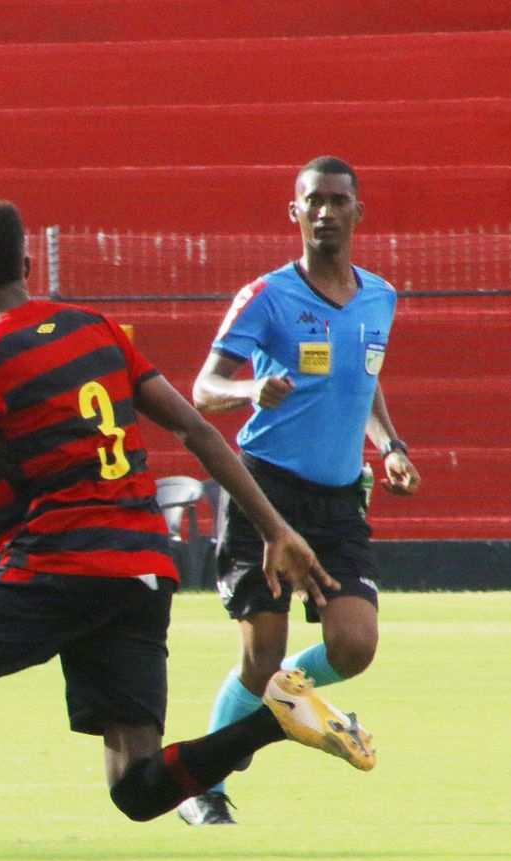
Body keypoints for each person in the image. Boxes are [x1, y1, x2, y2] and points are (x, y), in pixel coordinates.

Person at [0, 198, 376, 861]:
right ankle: (278, 719)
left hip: (56, 566)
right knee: (137, 788)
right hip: (144, 570)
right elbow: (199, 431)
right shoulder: (97, 328)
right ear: (26, 265)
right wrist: (275, 528)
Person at [177, 156, 420, 826]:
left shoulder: (380, 298)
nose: (325, 212)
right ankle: (204, 786)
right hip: (266, 495)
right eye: (313, 200)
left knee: (355, 645)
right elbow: (202, 389)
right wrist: (249, 388)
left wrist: (390, 447)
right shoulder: (268, 297)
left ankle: (282, 701)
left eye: (338, 200)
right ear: (296, 212)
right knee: (260, 656)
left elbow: (363, 381)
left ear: (357, 212)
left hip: (340, 502)